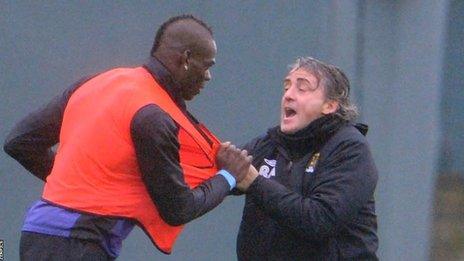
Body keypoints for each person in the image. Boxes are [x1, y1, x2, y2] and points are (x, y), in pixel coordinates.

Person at [4, 14, 252, 260]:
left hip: (37, 232)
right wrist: (228, 176)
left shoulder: (99, 82)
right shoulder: (154, 116)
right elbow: (178, 209)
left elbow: (20, 143)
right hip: (79, 243)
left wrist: (80, 184)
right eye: (207, 66)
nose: (208, 76)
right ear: (186, 58)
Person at [234, 57, 379, 260]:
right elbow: (213, 174)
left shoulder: (350, 149)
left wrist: (255, 183)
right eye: (286, 88)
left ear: (329, 105)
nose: (288, 96)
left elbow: (319, 219)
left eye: (302, 89)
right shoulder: (269, 144)